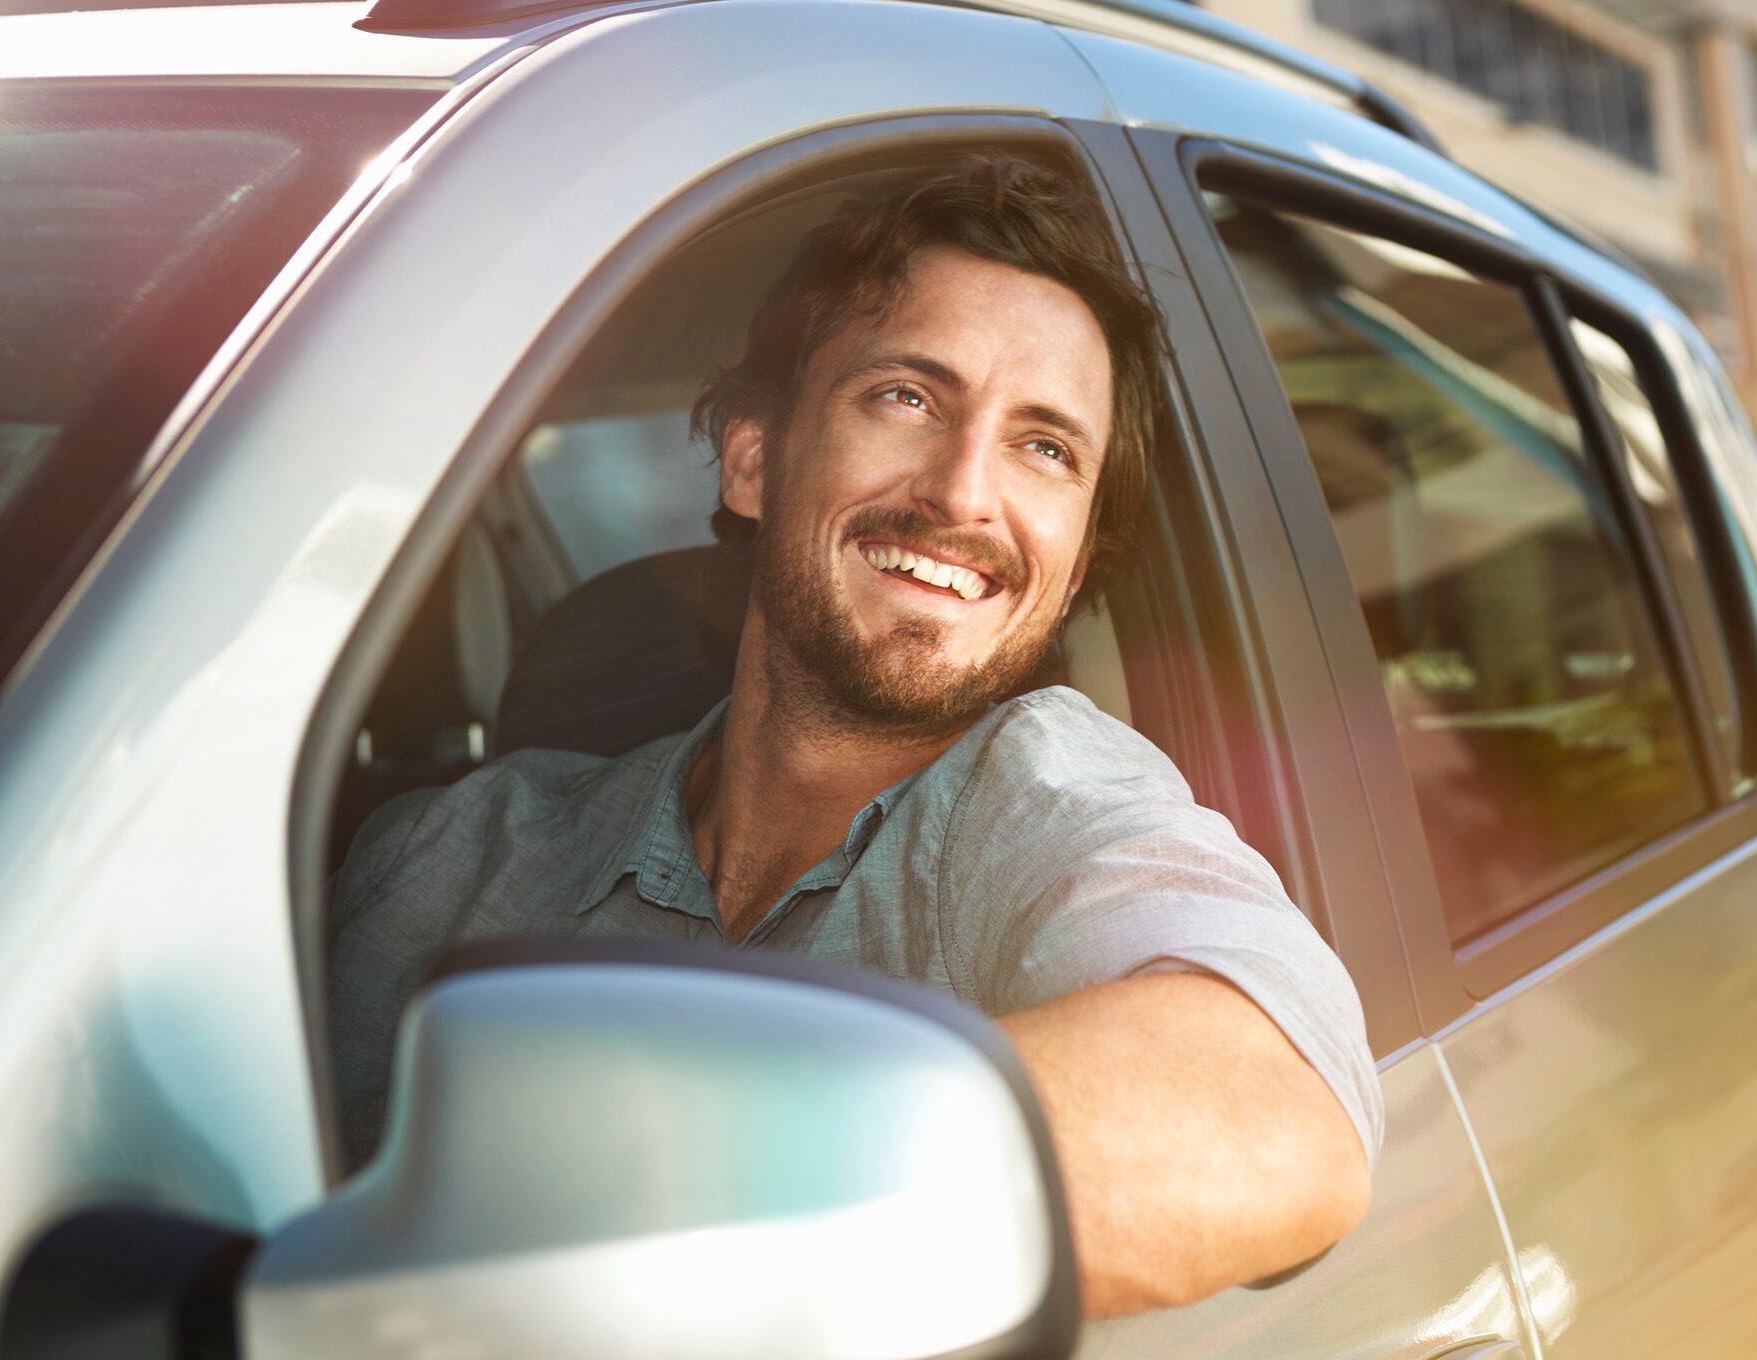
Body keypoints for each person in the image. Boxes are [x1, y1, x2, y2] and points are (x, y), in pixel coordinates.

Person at [327, 151, 1382, 1319]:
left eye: (1045, 447)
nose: (964, 493)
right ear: (753, 458)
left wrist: (616, 1207)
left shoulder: (1042, 805)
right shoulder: (457, 853)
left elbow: (1275, 1118)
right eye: (907, 398)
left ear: (1079, 559)